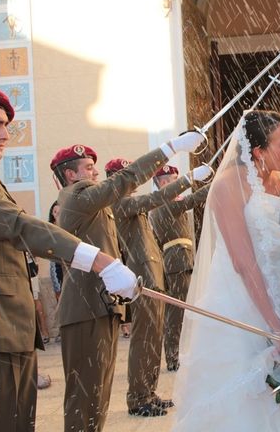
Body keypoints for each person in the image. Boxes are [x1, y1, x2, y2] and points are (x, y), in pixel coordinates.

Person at [0, 82, 137, 431]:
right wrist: (98, 259)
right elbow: (13, 223)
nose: (6, 133)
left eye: (6, 124)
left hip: (2, 327)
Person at [173, 110, 280, 431]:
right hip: (244, 299)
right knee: (252, 392)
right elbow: (243, 262)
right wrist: (273, 324)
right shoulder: (228, 186)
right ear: (258, 151)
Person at [51, 131, 203, 432]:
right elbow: (138, 189)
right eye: (87, 168)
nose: (94, 172)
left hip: (101, 300)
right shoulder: (78, 196)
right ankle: (140, 396)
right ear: (70, 175)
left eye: (95, 167)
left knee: (98, 392)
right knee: (86, 393)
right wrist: (170, 149)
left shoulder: (96, 202)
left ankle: (144, 394)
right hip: (85, 303)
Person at [104, 158, 211, 417]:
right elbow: (155, 200)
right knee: (144, 339)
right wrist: (188, 179)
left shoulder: (131, 201)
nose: (135, 179)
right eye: (129, 174)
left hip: (153, 273)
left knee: (152, 338)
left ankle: (147, 393)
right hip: (143, 275)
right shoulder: (121, 201)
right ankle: (138, 397)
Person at [149, 165, 210, 371]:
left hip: (183, 259)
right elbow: (194, 199)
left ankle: (181, 353)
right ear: (162, 183)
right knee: (176, 313)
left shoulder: (171, 202)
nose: (177, 183)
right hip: (176, 262)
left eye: (177, 178)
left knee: (183, 310)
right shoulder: (162, 202)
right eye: (172, 179)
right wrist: (218, 180)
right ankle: (174, 357)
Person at [48, 200, 64, 301]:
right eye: (55, 212)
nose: (57, 214)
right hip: (58, 266)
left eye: (60, 212)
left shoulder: (72, 226)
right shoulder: (51, 229)